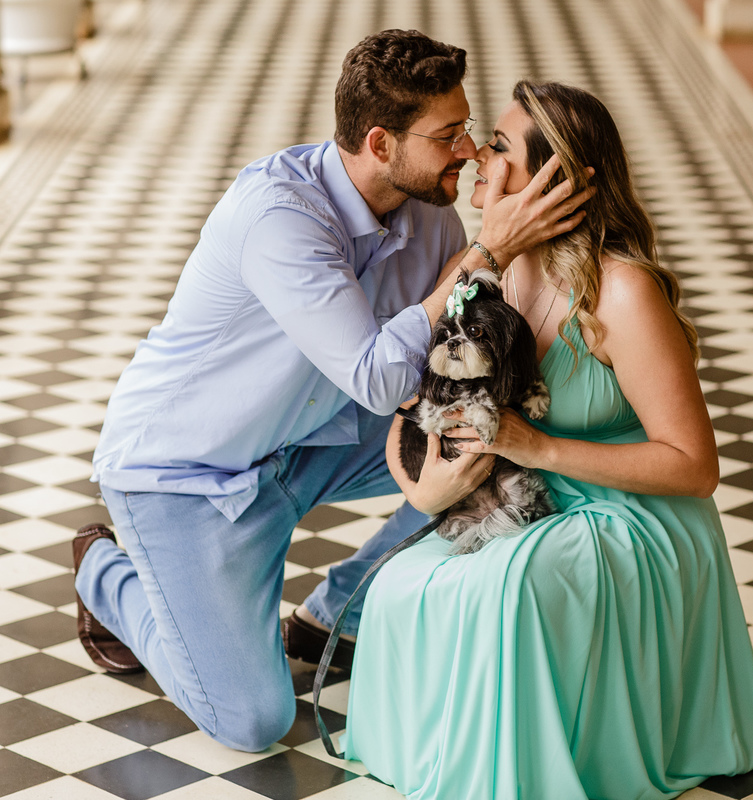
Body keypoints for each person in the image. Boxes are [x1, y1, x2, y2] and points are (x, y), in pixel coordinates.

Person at [73, 32, 592, 753]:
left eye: (470, 129)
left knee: (494, 437)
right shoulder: (280, 216)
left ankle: (337, 612)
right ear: (380, 143)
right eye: (448, 135)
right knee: (253, 722)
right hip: (189, 477)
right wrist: (488, 251)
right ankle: (104, 574)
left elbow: (438, 358)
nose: (470, 150)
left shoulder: (428, 210)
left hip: (310, 442)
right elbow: (379, 378)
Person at [343, 81, 753, 799]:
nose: (478, 156)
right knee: (397, 585)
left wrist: (533, 447)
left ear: (556, 180)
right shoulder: (485, 274)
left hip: (631, 510)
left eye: (500, 147)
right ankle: (452, 764)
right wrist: (423, 488)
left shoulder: (621, 292)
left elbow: (696, 468)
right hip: (529, 500)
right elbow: (412, 405)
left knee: (510, 589)